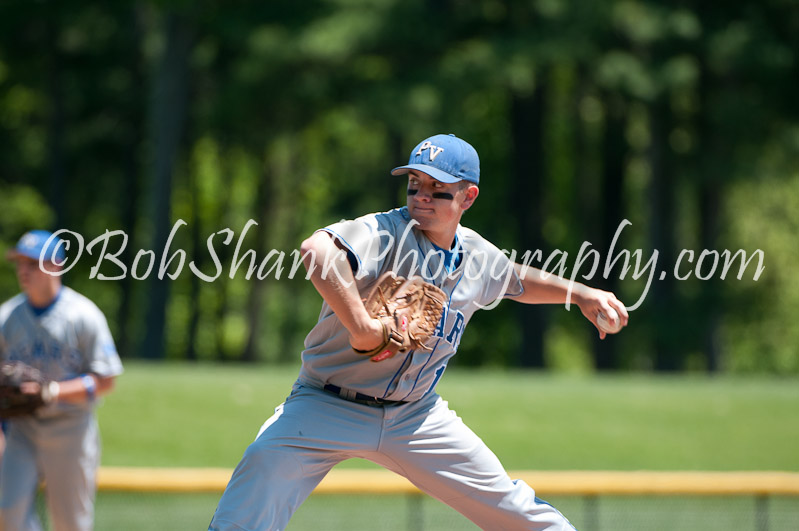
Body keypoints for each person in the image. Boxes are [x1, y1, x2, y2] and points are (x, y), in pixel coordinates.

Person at [209, 134, 628, 530]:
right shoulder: (385, 230)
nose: (421, 195)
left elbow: (515, 281)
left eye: (437, 187)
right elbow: (315, 251)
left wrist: (583, 294)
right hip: (325, 403)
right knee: (257, 479)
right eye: (414, 184)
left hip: (416, 417)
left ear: (468, 196)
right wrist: (363, 328)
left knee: (515, 509)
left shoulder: (476, 254)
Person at [0, 230, 124, 531]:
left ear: (55, 265)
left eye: (33, 263)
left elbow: (106, 380)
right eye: (20, 263)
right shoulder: (6, 317)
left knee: (71, 524)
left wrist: (52, 391)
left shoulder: (83, 315)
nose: (24, 271)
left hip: (71, 430)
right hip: (22, 430)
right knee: (5, 512)